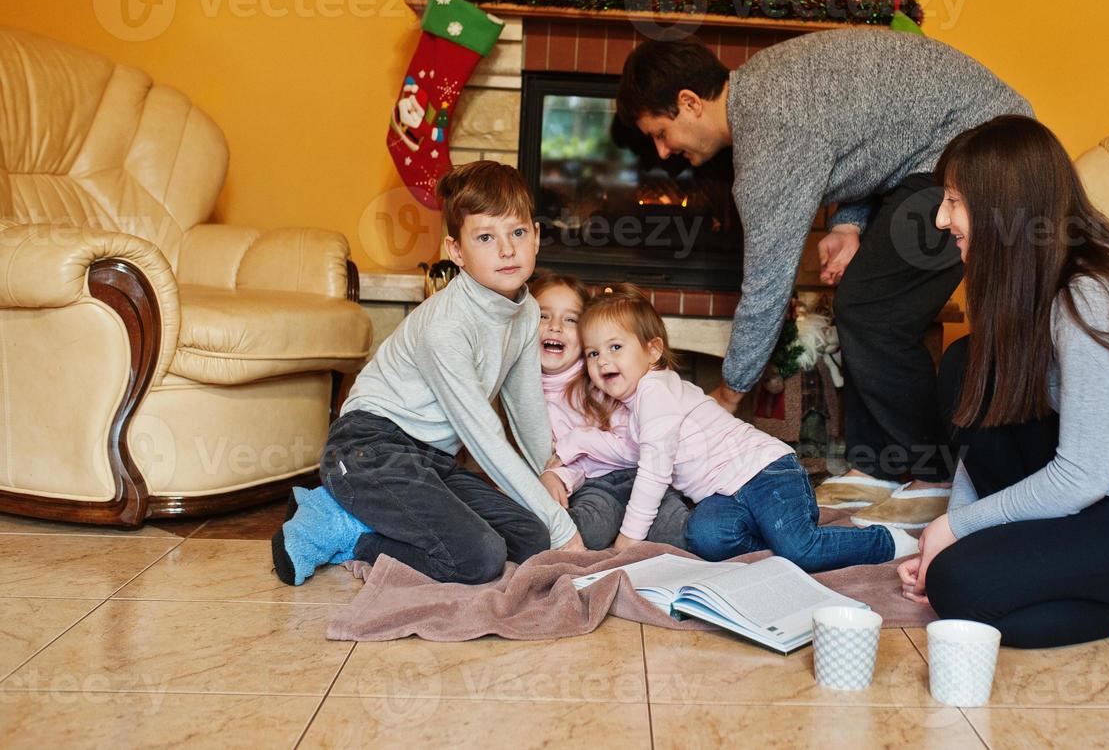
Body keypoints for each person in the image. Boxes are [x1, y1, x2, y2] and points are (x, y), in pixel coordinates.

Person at [615, 30, 1033, 530]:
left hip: (987, 154)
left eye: (661, 133)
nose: (663, 152)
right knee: (861, 303)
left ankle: (934, 474)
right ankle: (880, 466)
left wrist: (729, 392)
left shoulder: (768, 136)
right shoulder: (765, 83)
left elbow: (767, 285)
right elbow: (873, 135)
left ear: (689, 103)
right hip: (931, 154)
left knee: (873, 310)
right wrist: (847, 223)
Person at [897, 116, 1109, 648]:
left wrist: (951, 537)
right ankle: (1032, 569)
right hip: (1107, 499)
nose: (943, 220)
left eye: (954, 201)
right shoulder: (1039, 283)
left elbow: (1082, 477)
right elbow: (986, 427)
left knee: (962, 589)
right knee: (969, 360)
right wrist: (954, 529)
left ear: (1000, 211)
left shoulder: (1092, 297)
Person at [272, 161, 585, 587]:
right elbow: (483, 436)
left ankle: (365, 513)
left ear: (536, 236)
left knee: (531, 534)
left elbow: (524, 402)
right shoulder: (447, 325)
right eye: (486, 237)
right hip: (369, 449)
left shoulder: (527, 311)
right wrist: (567, 534)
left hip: (432, 459)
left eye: (517, 233)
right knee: (479, 558)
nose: (507, 250)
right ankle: (344, 528)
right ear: (456, 251)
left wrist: (547, 467)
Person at [580, 286, 917, 572]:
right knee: (705, 538)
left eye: (615, 347)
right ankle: (778, 546)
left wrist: (629, 537)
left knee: (802, 548)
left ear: (652, 351)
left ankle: (885, 541)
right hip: (723, 496)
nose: (602, 361)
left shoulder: (654, 391)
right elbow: (618, 448)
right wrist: (568, 452)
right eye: (592, 353)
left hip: (765, 472)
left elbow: (653, 471)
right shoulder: (634, 403)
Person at [532, 272, 691, 550]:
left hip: (642, 475)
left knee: (678, 534)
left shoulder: (605, 376)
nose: (555, 327)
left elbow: (637, 447)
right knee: (584, 531)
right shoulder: (528, 395)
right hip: (595, 486)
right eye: (543, 316)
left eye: (570, 319)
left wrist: (578, 444)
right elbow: (561, 462)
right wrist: (559, 475)